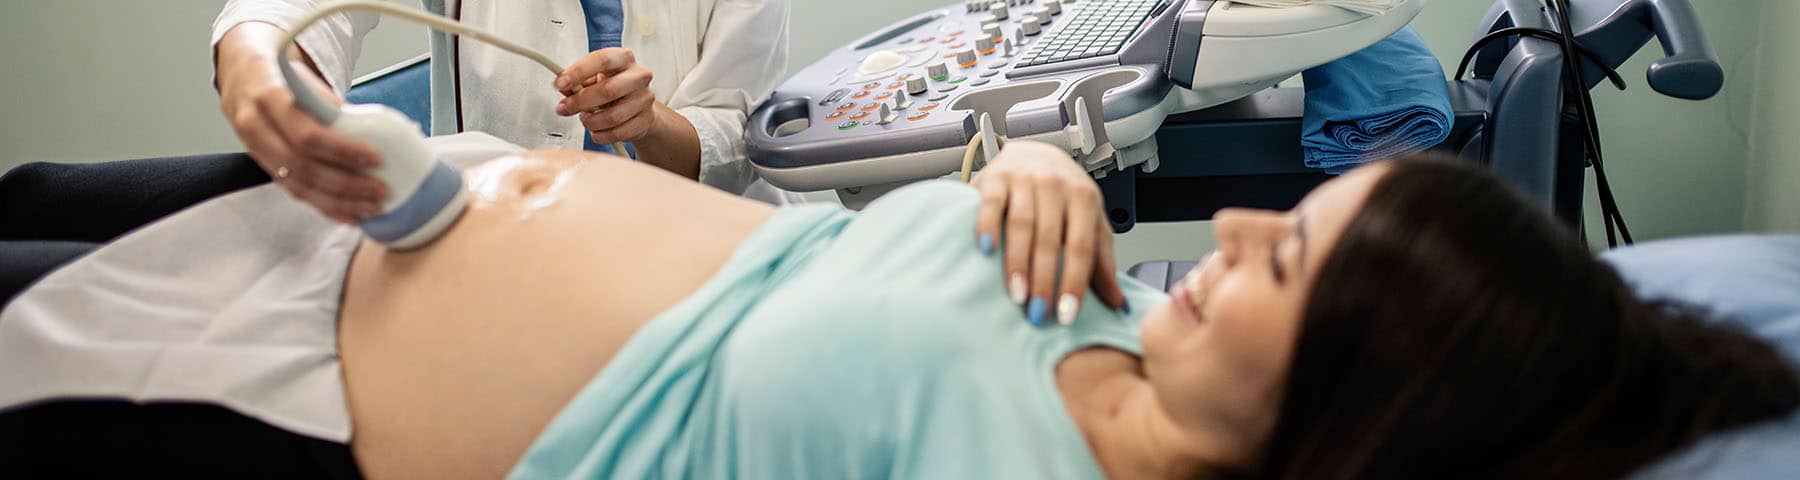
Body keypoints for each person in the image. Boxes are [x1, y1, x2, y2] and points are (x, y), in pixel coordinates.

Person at [2, 140, 1796, 479]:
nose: (1236, 221)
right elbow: (789, 252)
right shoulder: (1094, 288)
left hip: (286, 402)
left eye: (1290, 257)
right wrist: (1012, 167)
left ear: (1363, 401)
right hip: (326, 223)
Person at [0, 0, 793, 306]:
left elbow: (734, 134)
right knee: (35, 196)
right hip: (470, 218)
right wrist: (255, 58)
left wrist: (650, 124)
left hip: (669, 265)